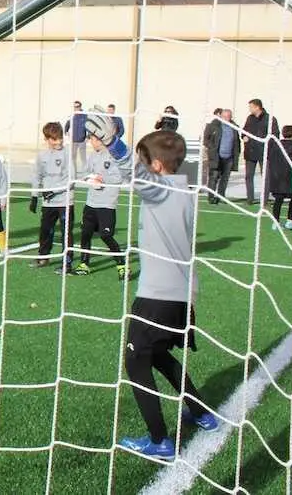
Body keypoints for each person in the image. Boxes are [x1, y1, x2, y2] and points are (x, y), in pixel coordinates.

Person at [84, 111, 218, 460]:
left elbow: (132, 170)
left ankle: (159, 440)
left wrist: (113, 143)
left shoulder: (159, 189)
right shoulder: (183, 187)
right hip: (181, 294)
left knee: (136, 362)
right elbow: (139, 172)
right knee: (157, 353)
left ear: (157, 166)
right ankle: (200, 412)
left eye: (147, 162)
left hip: (157, 296)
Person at [74, 134, 128, 279]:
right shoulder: (92, 156)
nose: (90, 142)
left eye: (92, 139)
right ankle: (84, 264)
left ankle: (122, 265)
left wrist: (102, 179)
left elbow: (118, 178)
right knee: (85, 234)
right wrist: (88, 177)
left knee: (106, 235)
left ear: (99, 140)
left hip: (106, 204)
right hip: (91, 203)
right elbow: (85, 172)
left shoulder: (113, 156)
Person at [31, 122, 78, 274]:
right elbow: (37, 175)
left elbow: (71, 177)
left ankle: (67, 262)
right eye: (55, 139)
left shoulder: (67, 154)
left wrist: (54, 191)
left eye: (60, 139)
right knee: (45, 230)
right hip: (48, 203)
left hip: (65, 201)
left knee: (66, 232)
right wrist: (34, 196)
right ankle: (43, 256)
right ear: (47, 139)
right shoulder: (42, 156)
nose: (58, 142)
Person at [242, 98, 279, 205]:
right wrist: (244, 136)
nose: (249, 109)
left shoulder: (270, 119)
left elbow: (275, 135)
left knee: (265, 177)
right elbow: (244, 131)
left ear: (257, 107)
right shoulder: (250, 118)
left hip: (264, 152)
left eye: (251, 107)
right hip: (250, 152)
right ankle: (250, 199)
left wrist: (268, 148)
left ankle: (264, 200)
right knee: (248, 175)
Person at [266, 125, 292, 231]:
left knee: (278, 201)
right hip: (291, 178)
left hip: (278, 178)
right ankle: (290, 221)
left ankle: (276, 222)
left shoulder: (275, 145)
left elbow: (270, 159)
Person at [203, 109, 240, 204]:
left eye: (229, 116)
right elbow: (205, 140)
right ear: (221, 116)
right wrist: (212, 148)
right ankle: (211, 197)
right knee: (214, 177)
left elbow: (237, 142)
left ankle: (221, 196)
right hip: (216, 157)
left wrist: (237, 154)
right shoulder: (213, 126)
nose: (227, 118)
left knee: (224, 179)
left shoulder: (234, 127)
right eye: (225, 116)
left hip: (229, 158)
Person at [64, 101, 89, 172]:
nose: (76, 108)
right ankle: (74, 172)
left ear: (80, 107)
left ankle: (85, 173)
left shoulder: (85, 115)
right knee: (73, 158)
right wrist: (66, 131)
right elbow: (67, 124)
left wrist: (88, 136)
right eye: (75, 107)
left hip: (82, 141)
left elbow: (90, 126)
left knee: (83, 158)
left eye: (77, 106)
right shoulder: (72, 115)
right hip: (73, 141)